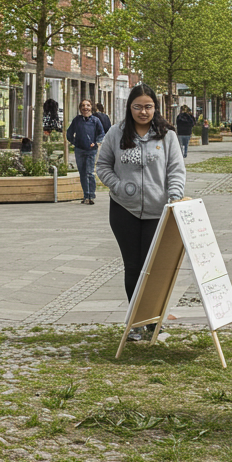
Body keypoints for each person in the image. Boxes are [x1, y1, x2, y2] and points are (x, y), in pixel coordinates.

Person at [96, 84, 185, 340]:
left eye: (148, 106)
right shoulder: (116, 133)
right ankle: (135, 321)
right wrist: (118, 185)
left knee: (154, 267)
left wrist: (175, 196)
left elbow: (176, 170)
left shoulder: (166, 135)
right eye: (138, 107)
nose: (143, 112)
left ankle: (153, 319)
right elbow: (103, 166)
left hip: (158, 211)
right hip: (124, 210)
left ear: (155, 108)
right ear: (130, 107)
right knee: (133, 266)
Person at [66, 99, 106, 205]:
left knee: (89, 172)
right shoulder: (77, 120)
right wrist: (75, 142)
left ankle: (91, 195)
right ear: (80, 108)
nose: (85, 107)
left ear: (91, 107)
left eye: (88, 105)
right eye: (83, 105)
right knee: (82, 173)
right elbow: (69, 133)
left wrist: (97, 143)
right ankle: (85, 195)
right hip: (79, 150)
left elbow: (101, 133)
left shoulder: (95, 121)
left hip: (91, 150)